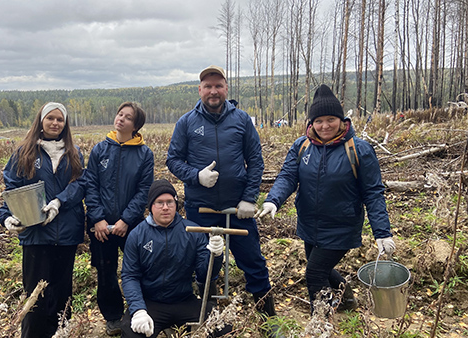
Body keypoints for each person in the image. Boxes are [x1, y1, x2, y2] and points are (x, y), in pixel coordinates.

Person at [256, 84, 396, 313]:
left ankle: (320, 322)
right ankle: (348, 300)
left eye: (331, 119)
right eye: (318, 121)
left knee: (314, 274)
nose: (324, 126)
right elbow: (288, 176)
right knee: (321, 268)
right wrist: (273, 200)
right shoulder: (302, 146)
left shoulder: (359, 150)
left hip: (341, 226)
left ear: (342, 120)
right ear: (311, 123)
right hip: (309, 224)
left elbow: (373, 193)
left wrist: (382, 232)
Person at [166, 65, 276, 316]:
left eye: (218, 86)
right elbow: (173, 160)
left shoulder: (241, 120)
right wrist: (197, 176)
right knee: (205, 263)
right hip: (200, 209)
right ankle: (208, 312)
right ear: (200, 90)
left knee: (253, 261)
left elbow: (255, 161)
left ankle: (268, 318)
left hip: (238, 208)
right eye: (208, 86)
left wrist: (249, 198)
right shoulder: (186, 122)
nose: (213, 91)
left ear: (226, 89)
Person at [0, 102, 86, 338]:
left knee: (62, 292)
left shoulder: (74, 153)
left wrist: (58, 202)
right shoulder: (24, 152)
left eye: (60, 119)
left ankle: (60, 333)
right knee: (35, 295)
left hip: (67, 234)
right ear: (41, 120)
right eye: (51, 118)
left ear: (65, 124)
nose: (55, 123)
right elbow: (12, 187)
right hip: (36, 236)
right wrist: (7, 216)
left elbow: (80, 185)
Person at [120, 179, 225, 338]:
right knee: (131, 332)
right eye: (159, 202)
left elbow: (205, 275)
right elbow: (129, 276)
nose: (165, 207)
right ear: (150, 206)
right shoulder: (137, 235)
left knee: (223, 326)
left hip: (184, 300)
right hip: (151, 302)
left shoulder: (193, 231)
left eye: (170, 202)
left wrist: (216, 255)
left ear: (176, 204)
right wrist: (138, 310)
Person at [85, 102, 154, 335]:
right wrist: (97, 219)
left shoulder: (144, 154)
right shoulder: (99, 150)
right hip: (101, 226)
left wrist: (127, 220)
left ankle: (140, 310)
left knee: (138, 268)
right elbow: (90, 185)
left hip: (131, 225)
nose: (121, 119)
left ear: (136, 125)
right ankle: (113, 316)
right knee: (105, 271)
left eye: (127, 117)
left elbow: (143, 191)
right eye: (119, 114)